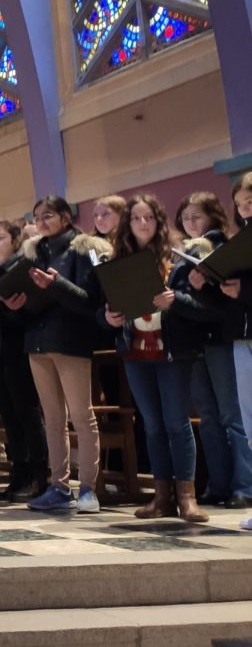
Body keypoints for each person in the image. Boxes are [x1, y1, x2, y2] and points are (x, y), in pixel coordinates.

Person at [100, 195, 211, 522]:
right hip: (135, 352)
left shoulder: (180, 259)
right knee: (151, 425)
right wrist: (108, 318)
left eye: (149, 217)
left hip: (172, 351)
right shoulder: (118, 260)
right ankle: (162, 498)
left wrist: (174, 300)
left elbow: (204, 308)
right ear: (128, 224)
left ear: (159, 221)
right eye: (136, 218)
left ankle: (186, 498)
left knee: (176, 423)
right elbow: (100, 307)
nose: (143, 223)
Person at [2, 196, 111, 514]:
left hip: (71, 339)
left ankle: (89, 488)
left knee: (81, 416)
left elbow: (90, 301)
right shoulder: (33, 252)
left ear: (66, 217)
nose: (41, 221)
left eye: (48, 215)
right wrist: (16, 307)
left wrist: (56, 284)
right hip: (37, 341)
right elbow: (30, 303)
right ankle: (59, 486)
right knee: (52, 419)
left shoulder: (84, 248)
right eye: (36, 217)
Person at [176, 191, 252, 508]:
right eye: (185, 217)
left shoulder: (224, 246)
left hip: (221, 338)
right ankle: (218, 484)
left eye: (197, 216)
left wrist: (201, 288)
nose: (191, 222)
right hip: (196, 342)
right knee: (208, 416)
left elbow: (225, 302)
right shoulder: (184, 252)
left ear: (212, 216)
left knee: (232, 415)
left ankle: (244, 485)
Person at [0, 220, 49, 502]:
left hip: (20, 347)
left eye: (0, 237)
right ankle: (19, 475)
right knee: (8, 416)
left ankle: (39, 475)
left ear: (15, 239)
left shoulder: (24, 267)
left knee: (27, 412)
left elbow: (29, 313)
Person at [219, 174, 252, 530]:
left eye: (251, 202)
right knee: (250, 420)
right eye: (241, 204)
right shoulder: (238, 240)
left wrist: (244, 289)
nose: (245, 210)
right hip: (242, 337)